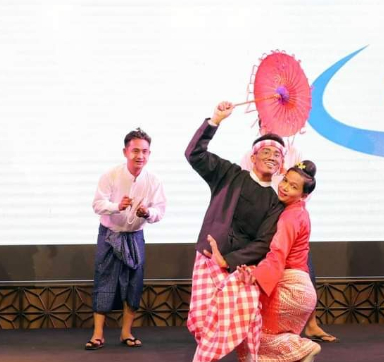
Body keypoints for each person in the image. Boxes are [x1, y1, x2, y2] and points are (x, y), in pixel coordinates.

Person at [185, 101, 286, 362]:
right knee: (201, 320)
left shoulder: (275, 202)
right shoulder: (229, 174)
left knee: (245, 319)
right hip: (208, 257)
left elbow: (263, 242)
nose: (272, 157)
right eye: (266, 151)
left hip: (239, 268)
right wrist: (215, 120)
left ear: (281, 164)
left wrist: (228, 261)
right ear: (253, 157)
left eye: (277, 155)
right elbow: (194, 154)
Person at [208, 160, 322, 362]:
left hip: (290, 289)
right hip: (301, 290)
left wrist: (256, 275)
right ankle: (302, 352)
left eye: (293, 187)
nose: (284, 187)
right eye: (285, 180)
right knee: (266, 343)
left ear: (304, 195)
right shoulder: (299, 212)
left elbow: (278, 253)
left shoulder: (290, 217)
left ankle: (306, 348)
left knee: (254, 337)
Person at [240, 122, 337, 343]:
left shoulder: (294, 153)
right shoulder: (252, 154)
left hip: (287, 214)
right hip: (263, 216)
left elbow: (304, 185)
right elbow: (245, 185)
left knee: (297, 259)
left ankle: (309, 325)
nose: (271, 129)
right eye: (265, 124)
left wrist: (291, 199)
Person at [86, 128, 166, 350]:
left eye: (145, 151)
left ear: (149, 154)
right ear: (125, 152)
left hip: (135, 235)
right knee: (104, 280)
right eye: (135, 151)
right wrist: (116, 206)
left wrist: (147, 213)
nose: (140, 156)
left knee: (134, 283)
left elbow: (160, 211)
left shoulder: (154, 180)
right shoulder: (110, 175)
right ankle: (97, 335)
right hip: (110, 234)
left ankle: (126, 332)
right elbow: (97, 204)